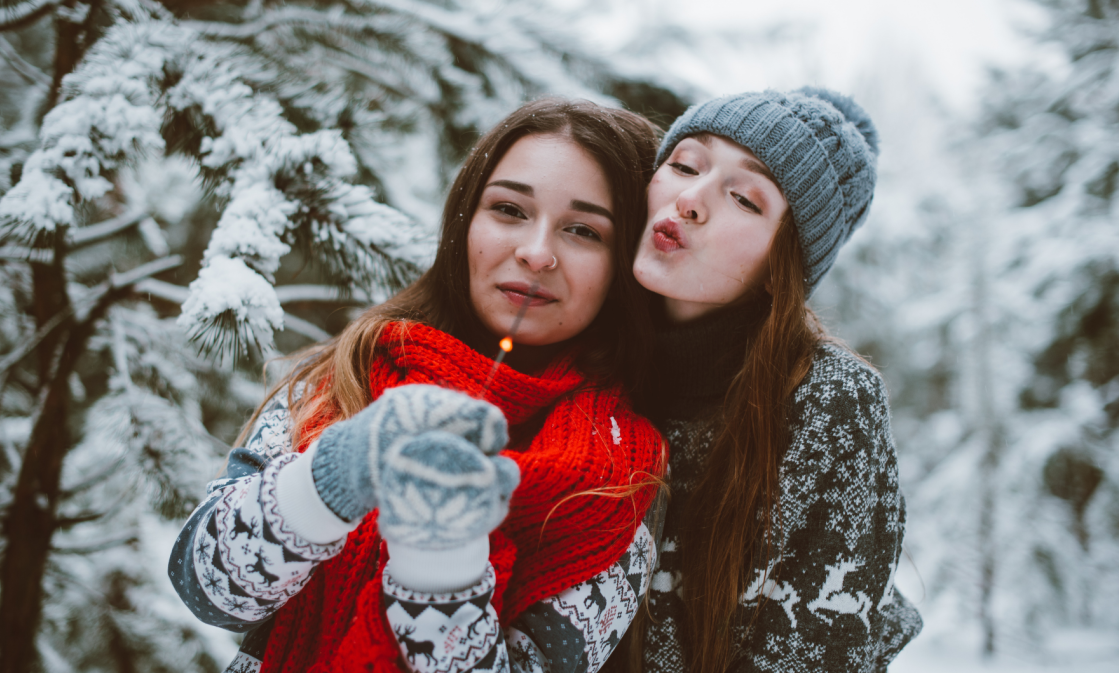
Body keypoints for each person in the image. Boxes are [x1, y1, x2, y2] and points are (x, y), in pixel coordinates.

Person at [168, 98, 668, 673]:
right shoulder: (349, 373)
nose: (535, 253)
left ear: (626, 260)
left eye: (583, 230)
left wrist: (443, 560)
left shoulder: (623, 473)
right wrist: (330, 479)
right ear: (465, 220)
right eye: (509, 209)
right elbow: (206, 589)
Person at [609, 88, 923, 672]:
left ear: (783, 269)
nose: (689, 200)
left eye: (744, 199)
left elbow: (814, 651)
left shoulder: (827, 401)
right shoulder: (583, 346)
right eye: (684, 165)